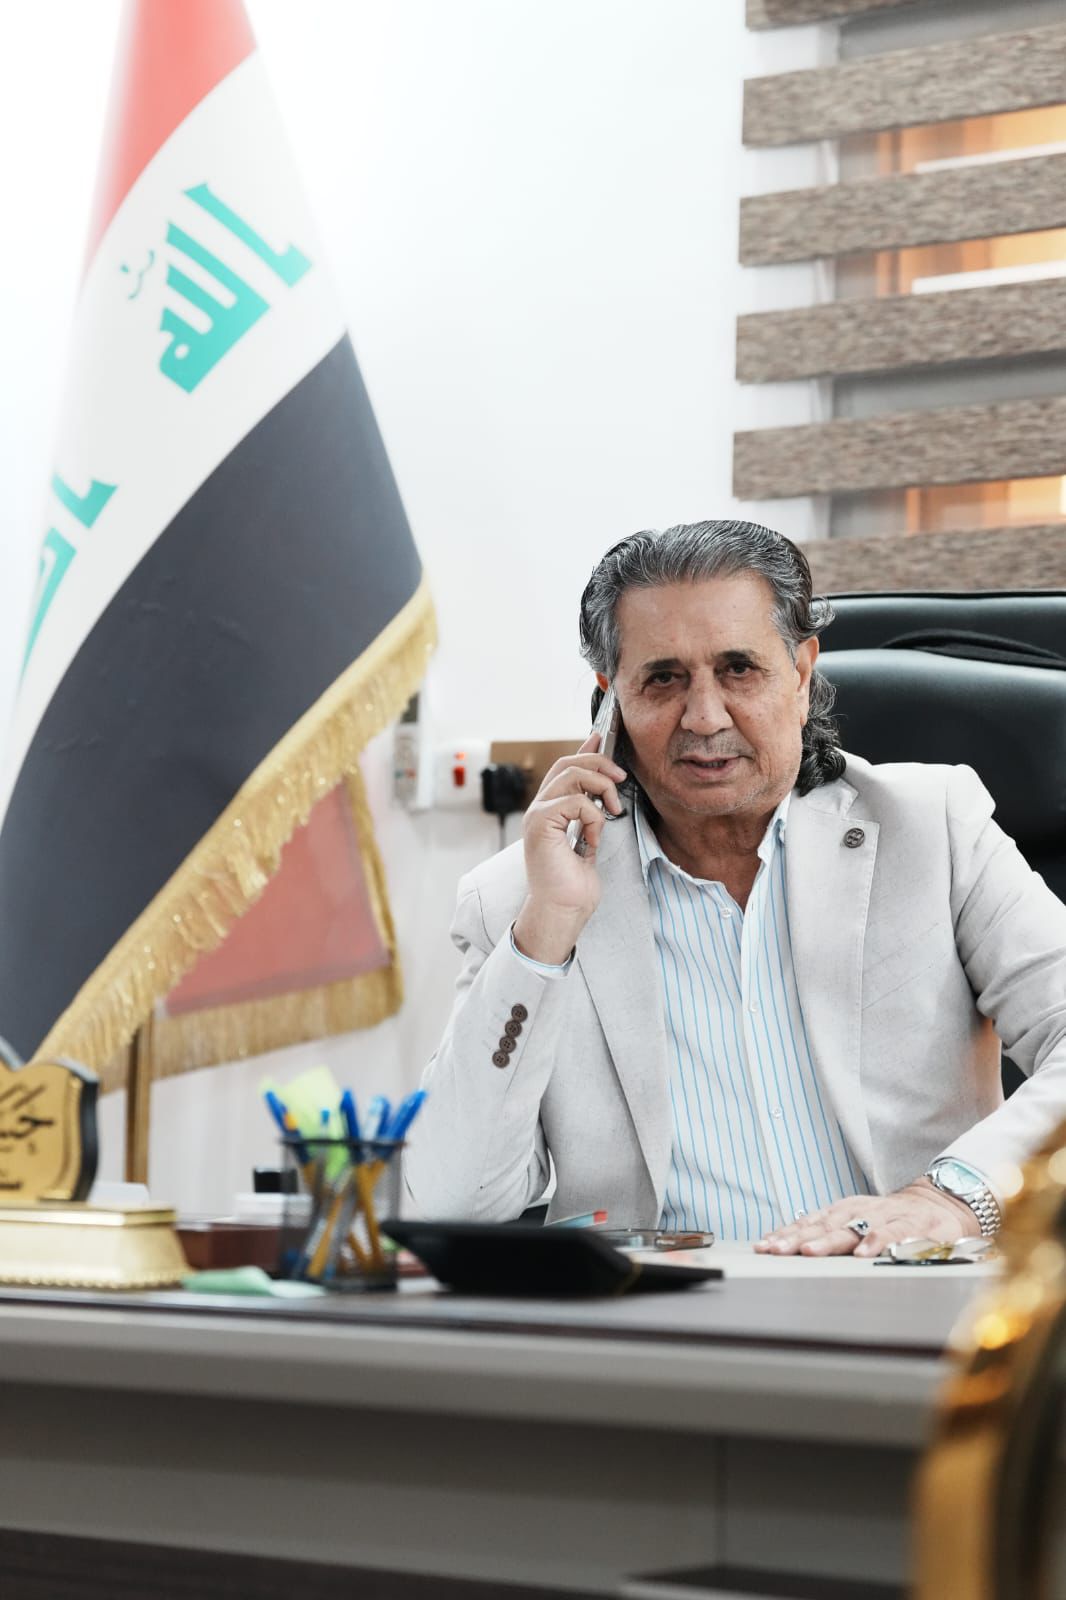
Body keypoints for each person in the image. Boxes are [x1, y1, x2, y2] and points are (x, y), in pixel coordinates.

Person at [404, 520, 1066, 1256]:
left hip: (906, 1297)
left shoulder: (932, 830)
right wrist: (546, 934)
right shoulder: (521, 899)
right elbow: (450, 1202)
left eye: (739, 669)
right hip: (668, 1316)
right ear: (610, 703)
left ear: (802, 672)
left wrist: (952, 1197)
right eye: (663, 679)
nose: (705, 716)